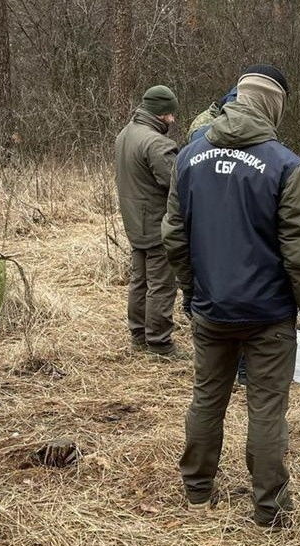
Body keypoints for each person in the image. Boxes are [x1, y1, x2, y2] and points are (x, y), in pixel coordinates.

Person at [163, 65, 300, 528]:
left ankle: (197, 491)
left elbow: (174, 236)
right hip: (269, 313)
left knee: (207, 397)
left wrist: (193, 293)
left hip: (212, 308)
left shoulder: (188, 157)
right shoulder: (286, 165)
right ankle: (269, 508)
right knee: (267, 408)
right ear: (273, 106)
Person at [116, 86, 181, 356]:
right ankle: (159, 342)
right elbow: (177, 185)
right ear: (161, 113)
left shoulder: (125, 134)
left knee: (139, 281)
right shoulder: (157, 144)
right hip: (156, 225)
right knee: (161, 285)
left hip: (134, 222)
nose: (174, 120)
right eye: (171, 114)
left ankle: (139, 335)